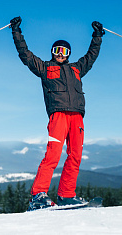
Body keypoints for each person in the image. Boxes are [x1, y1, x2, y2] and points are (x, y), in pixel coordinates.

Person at [10, 16, 104, 210]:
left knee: (75, 155)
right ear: (52, 52)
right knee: (53, 154)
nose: (60, 54)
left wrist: (97, 36)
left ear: (69, 54)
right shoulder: (45, 68)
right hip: (58, 115)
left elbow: (91, 56)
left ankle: (66, 195)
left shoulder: (77, 69)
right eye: (57, 51)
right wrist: (16, 32)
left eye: (64, 51)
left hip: (77, 116)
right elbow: (25, 55)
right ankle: (38, 195)